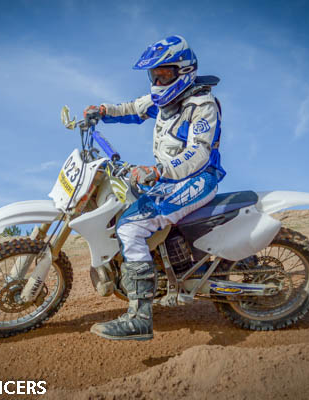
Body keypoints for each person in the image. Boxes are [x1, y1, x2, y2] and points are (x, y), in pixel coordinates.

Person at [84, 35, 226, 341]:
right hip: (169, 178)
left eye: (164, 74)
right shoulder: (163, 102)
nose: (158, 82)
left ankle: (139, 318)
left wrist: (158, 171)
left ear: (183, 71)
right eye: (154, 75)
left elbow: (199, 153)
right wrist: (103, 111)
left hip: (197, 178)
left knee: (131, 227)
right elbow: (132, 108)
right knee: (128, 204)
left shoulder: (201, 105)